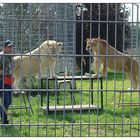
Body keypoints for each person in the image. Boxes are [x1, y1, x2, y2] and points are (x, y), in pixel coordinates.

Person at [0, 40, 14, 124]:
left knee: (9, 101)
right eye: (9, 47)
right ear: (4, 47)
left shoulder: (11, 56)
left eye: (11, 46)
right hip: (1, 80)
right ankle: (4, 120)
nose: (10, 48)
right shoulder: (1, 56)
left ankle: (4, 119)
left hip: (9, 80)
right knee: (7, 101)